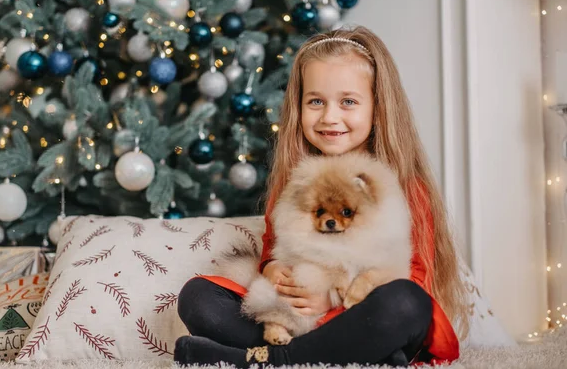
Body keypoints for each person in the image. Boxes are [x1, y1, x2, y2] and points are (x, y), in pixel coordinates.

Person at [174, 26, 469, 368]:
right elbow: (272, 251)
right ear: (298, 106)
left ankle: (267, 361)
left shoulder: (404, 186)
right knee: (199, 298)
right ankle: (336, 359)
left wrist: (330, 298)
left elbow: (416, 275)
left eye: (348, 102)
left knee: (406, 302)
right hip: (293, 320)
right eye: (316, 101)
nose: (330, 117)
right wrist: (273, 273)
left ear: (378, 107)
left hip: (361, 316)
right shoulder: (295, 182)